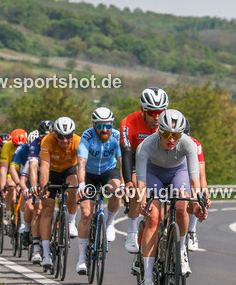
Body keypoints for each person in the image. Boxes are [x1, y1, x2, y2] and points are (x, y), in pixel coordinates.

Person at [136, 109, 204, 285]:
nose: (171, 139)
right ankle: (148, 278)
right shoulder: (145, 146)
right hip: (153, 173)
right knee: (153, 217)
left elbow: (193, 179)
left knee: (182, 204)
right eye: (166, 134)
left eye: (176, 135)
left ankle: (181, 249)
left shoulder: (188, 144)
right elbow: (141, 181)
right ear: (159, 132)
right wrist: (143, 201)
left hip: (178, 172)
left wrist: (198, 202)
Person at [75, 107, 123, 275]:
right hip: (89, 174)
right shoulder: (87, 137)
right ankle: (82, 258)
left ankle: (109, 224)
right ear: (94, 125)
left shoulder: (116, 136)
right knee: (86, 214)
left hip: (108, 171)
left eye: (108, 126)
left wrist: (123, 183)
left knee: (117, 191)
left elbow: (122, 160)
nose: (104, 130)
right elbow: (81, 162)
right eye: (101, 126)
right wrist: (81, 184)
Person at [120, 87, 167, 254]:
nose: (156, 117)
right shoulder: (129, 122)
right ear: (143, 110)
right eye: (151, 112)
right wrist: (127, 183)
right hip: (134, 159)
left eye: (160, 112)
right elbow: (125, 154)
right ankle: (132, 232)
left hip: (159, 161)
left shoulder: (168, 122)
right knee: (134, 186)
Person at [37, 117, 81, 270]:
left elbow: (82, 166)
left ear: (73, 134)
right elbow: (44, 166)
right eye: (61, 136)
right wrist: (44, 187)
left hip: (69, 170)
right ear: (55, 134)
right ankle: (47, 253)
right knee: (47, 210)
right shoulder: (47, 141)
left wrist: (83, 185)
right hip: (52, 172)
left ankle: (70, 221)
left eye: (68, 136)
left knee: (74, 187)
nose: (64, 140)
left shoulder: (78, 141)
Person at [27, 121, 54, 263]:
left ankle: (64, 227)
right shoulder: (35, 145)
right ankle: (37, 247)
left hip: (56, 175)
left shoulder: (58, 141)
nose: (46, 139)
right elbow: (32, 166)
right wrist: (33, 185)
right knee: (38, 210)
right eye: (43, 136)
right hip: (40, 176)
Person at [182, 115, 208, 252]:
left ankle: (191, 231)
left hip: (188, 177)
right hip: (167, 175)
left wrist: (205, 195)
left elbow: (201, 175)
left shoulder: (195, 145)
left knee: (195, 198)